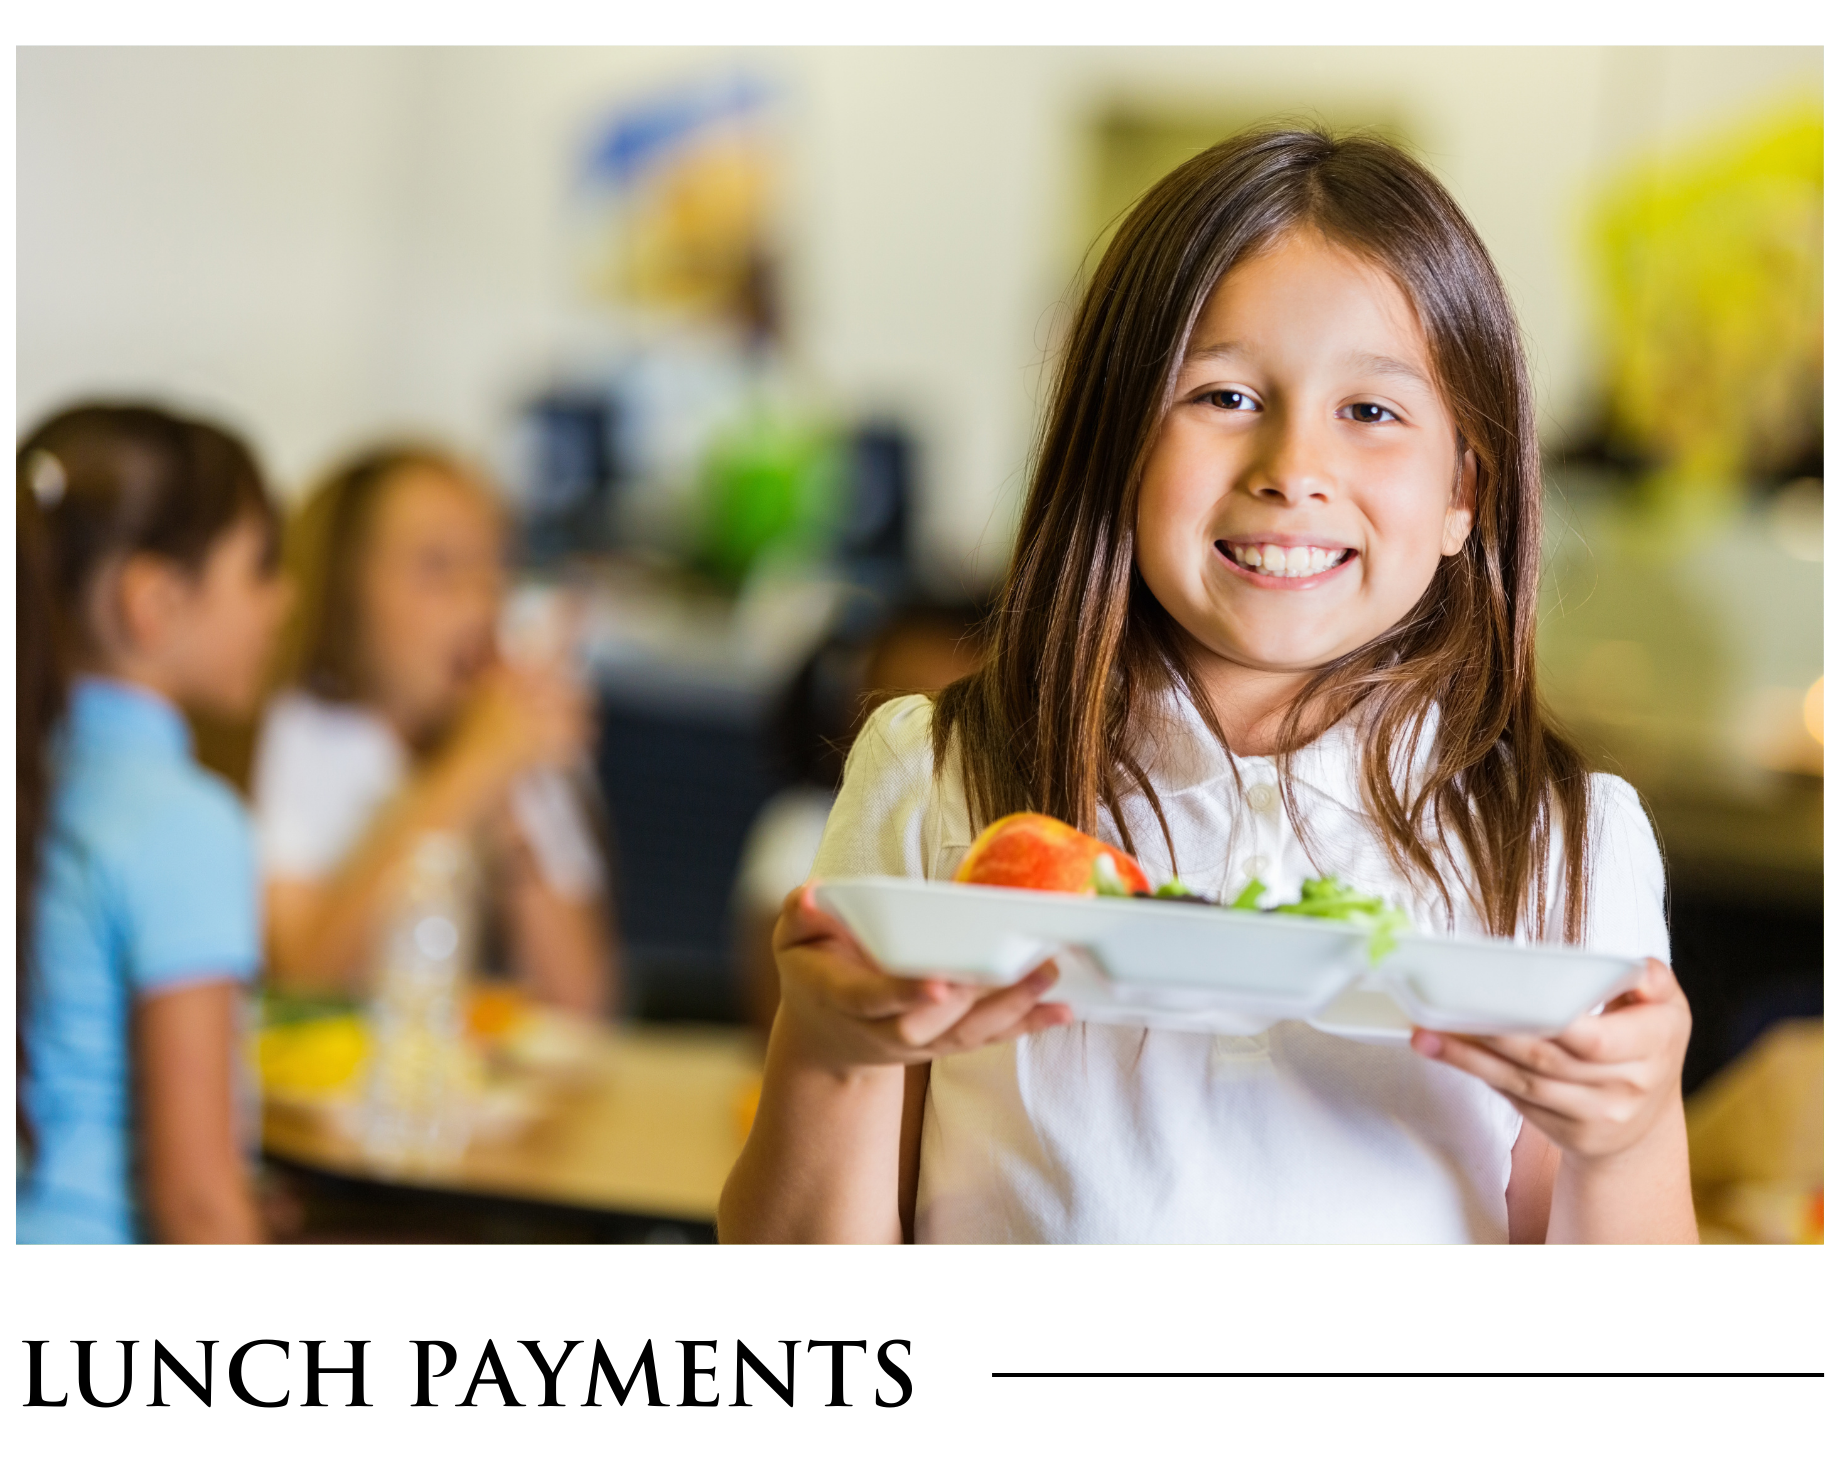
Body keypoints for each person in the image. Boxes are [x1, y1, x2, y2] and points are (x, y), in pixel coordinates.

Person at [720, 129, 1696, 1244]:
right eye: (1224, 396)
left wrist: (1628, 1137)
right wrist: (830, 1052)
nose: (1292, 469)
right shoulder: (935, 775)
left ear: (1462, 491)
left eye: (1371, 413)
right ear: (1115, 446)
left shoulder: (1566, 844)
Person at [15, 405, 290, 1243]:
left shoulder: (40, 778)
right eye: (263, 567)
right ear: (154, 603)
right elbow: (197, 1206)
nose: (286, 601)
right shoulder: (187, 822)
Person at [251, 447, 615, 1016]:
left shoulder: (505, 736)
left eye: (496, 564)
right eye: (438, 567)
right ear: (343, 586)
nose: (478, 599)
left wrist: (505, 796)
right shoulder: (312, 733)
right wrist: (467, 773)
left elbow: (583, 1003)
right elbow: (305, 976)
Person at [733, 603, 984, 1028]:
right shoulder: (801, 829)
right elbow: (785, 1007)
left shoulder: (994, 833)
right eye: (903, 714)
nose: (924, 752)